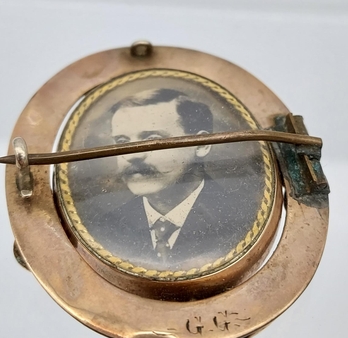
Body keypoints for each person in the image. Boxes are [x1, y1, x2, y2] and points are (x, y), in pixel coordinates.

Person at [88, 88, 249, 269]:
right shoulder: (106, 226)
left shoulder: (244, 218)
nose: (132, 155)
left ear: (201, 144)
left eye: (152, 139)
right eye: (122, 141)